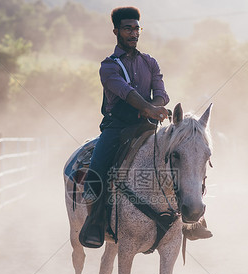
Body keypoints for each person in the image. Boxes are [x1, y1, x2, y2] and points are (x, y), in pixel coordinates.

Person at [79, 6, 211, 248]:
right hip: (116, 129)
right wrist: (149, 109)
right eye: (128, 28)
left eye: (137, 28)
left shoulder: (149, 62)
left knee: (185, 158)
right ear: (116, 31)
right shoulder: (109, 66)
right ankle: (95, 223)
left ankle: (192, 222)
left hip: (148, 128)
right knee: (96, 174)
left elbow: (162, 93)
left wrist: (156, 107)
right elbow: (125, 92)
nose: (134, 33)